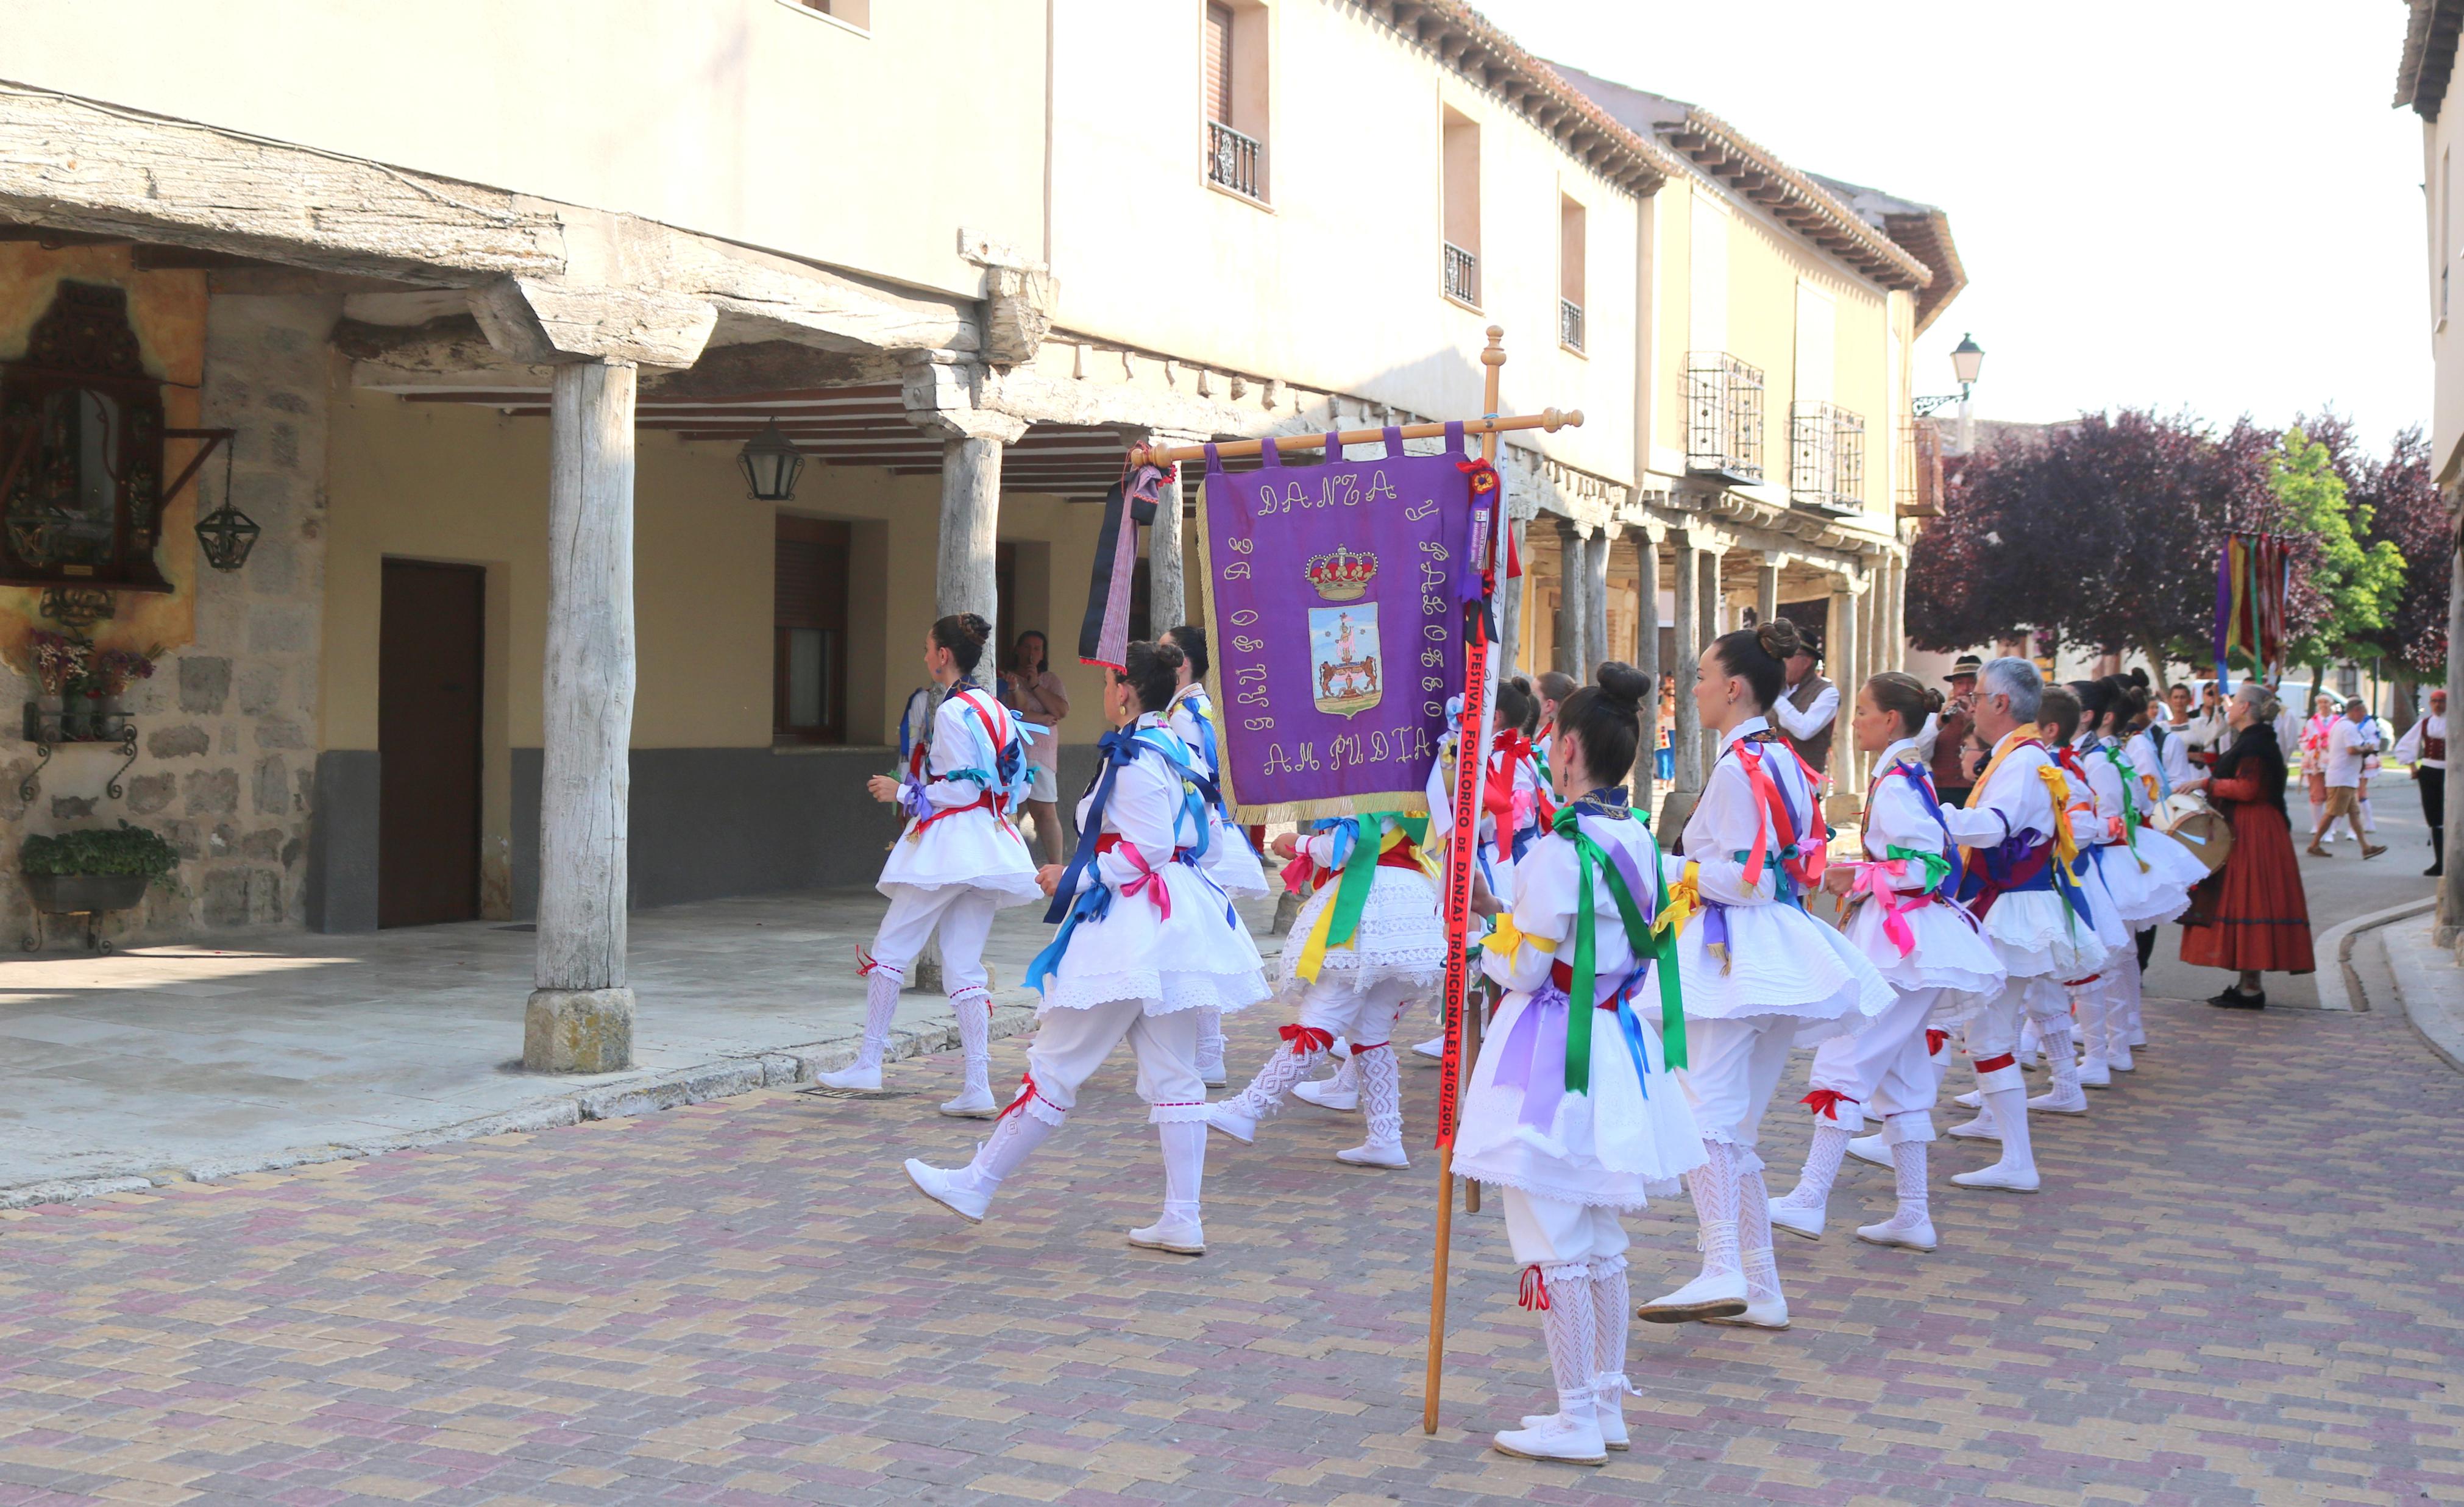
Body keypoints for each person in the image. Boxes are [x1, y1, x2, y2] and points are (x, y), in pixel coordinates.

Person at [904, 639, 1269, 1251]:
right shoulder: (1179, 746)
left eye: (1107, 685)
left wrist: (1079, 875)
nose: (1103, 695)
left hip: (1133, 920)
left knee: (1056, 1061)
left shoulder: (1138, 756)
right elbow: (1203, 840)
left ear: (1124, 691)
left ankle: (977, 1181)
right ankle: (1182, 1215)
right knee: (1176, 1075)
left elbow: (1148, 847)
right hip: (1178, 917)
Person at [1455, 662, 1706, 1465]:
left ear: (1566, 749)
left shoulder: (1559, 849)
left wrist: (1479, 937)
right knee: (1595, 1235)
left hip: (1553, 1050)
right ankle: (1600, 1402)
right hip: (1614, 1042)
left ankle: (1574, 1412)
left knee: (1553, 1233)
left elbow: (1525, 970)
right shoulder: (1637, 836)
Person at [1637, 617, 1890, 1330]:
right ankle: (1762, 1287)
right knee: (1733, 1129)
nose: (1692, 688)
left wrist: (1664, 867)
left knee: (1707, 1120)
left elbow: (1745, 879)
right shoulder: (1778, 757)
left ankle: (1719, 1266)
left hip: (1735, 954)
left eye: (1702, 675)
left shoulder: (1738, 765)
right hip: (1770, 952)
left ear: (1734, 687)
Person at [1769, 672, 2004, 1252]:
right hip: (1908, 942)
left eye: (1864, 711)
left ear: (1891, 720)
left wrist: (1862, 874)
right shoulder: (1903, 775)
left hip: (1901, 946)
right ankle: (1911, 1213)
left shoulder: (1898, 783)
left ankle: (1809, 1195)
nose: (1854, 721)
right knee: (1899, 1075)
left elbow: (1925, 864)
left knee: (1846, 1058)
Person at [823, 614, 1045, 1115]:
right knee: (963, 965)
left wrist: (903, 790)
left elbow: (963, 789)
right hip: (991, 842)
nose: (925, 656)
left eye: (928, 648)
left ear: (944, 654)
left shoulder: (950, 712)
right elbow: (1017, 785)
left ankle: (869, 1061)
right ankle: (977, 1084)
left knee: (891, 946)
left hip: (951, 844)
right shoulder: (995, 707)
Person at [1928, 658, 2102, 1194]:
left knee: (1987, 1029)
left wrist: (1927, 814)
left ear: (1999, 704)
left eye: (1976, 696)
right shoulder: (2021, 756)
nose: (1970, 705)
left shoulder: (2022, 760)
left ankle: (2015, 1158)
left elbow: (1992, 828)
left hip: (2010, 908)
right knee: (1985, 1028)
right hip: (2008, 906)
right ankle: (2005, 1147)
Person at [1212, 795, 1444, 1167]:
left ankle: (1250, 1107)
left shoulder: (1365, 784)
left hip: (1366, 907)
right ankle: (1385, 1136)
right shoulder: (1413, 784)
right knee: (1371, 1031)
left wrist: (1297, 843)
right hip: (1409, 904)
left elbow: (1349, 846)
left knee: (1322, 1015)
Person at [1163, 625, 1273, 1089]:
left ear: (1181, 663)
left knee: (1198, 948)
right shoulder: (1202, 707)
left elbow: (1191, 780)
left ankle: (1207, 1051)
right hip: (1211, 832)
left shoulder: (1186, 715)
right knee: (1194, 946)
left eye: (1165, 652)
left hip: (1200, 835)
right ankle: (1200, 1049)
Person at [2180, 683, 2314, 1008]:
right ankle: (2247, 985)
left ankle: (2251, 989)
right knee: (2245, 901)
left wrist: (2206, 783)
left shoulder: (2256, 744)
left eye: (2234, 702)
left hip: (2254, 829)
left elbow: (2249, 788)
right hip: (2252, 825)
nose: (2228, 707)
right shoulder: (2254, 740)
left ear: (2245, 709)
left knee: (2248, 901)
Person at [1001, 630, 1071, 866]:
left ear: (1043, 654)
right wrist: (1041, 718)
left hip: (1041, 754)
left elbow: (1060, 712)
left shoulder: (1050, 680)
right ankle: (1009, 866)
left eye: (1037, 649)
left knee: (1045, 812)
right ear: (1018, 649)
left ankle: (1057, 867)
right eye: (1028, 647)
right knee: (1007, 810)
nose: (1032, 653)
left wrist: (1036, 685)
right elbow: (1013, 715)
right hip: (1011, 754)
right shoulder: (1007, 680)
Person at [2312, 698, 2387, 859]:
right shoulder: (2348, 727)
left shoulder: (2341, 725)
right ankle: (2315, 844)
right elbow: (2352, 750)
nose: (2364, 715)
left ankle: (2366, 847)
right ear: (2355, 711)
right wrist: (2366, 748)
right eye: (2363, 712)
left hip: (2345, 777)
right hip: (2342, 777)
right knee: (2332, 812)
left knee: (2354, 813)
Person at [1770, 628, 1837, 788]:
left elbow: (1805, 730)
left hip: (1804, 784)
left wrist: (1774, 696)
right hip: (1769, 778)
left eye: (1787, 656)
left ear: (1806, 661)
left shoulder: (1828, 693)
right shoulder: (1779, 688)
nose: (1780, 662)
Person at [2395, 686, 2448, 876]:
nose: (2437, 705)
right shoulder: (2425, 724)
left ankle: (2451, 860)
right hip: (2429, 771)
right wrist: (2412, 766)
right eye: (2434, 701)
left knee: (2451, 815)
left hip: (2450, 772)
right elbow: (2406, 745)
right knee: (2434, 816)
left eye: (2441, 701)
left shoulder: (2455, 723)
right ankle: (2439, 861)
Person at [1932, 655, 1983, 807]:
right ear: (1953, 688)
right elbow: (1922, 752)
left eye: (1971, 683)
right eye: (1960, 683)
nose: (1965, 689)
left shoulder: (1990, 717)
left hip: (1976, 790)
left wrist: (1972, 718)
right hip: (1942, 790)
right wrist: (1937, 725)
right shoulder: (1938, 716)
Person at [2300, 695, 2339, 848]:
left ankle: (2330, 830)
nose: (2324, 705)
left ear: (2331, 705)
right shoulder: (2311, 722)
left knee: (2333, 796)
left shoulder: (2338, 722)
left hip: (2333, 761)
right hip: (2316, 762)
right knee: (2317, 795)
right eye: (2321, 702)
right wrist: (2315, 742)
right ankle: (2318, 826)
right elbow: (2304, 740)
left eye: (2326, 702)